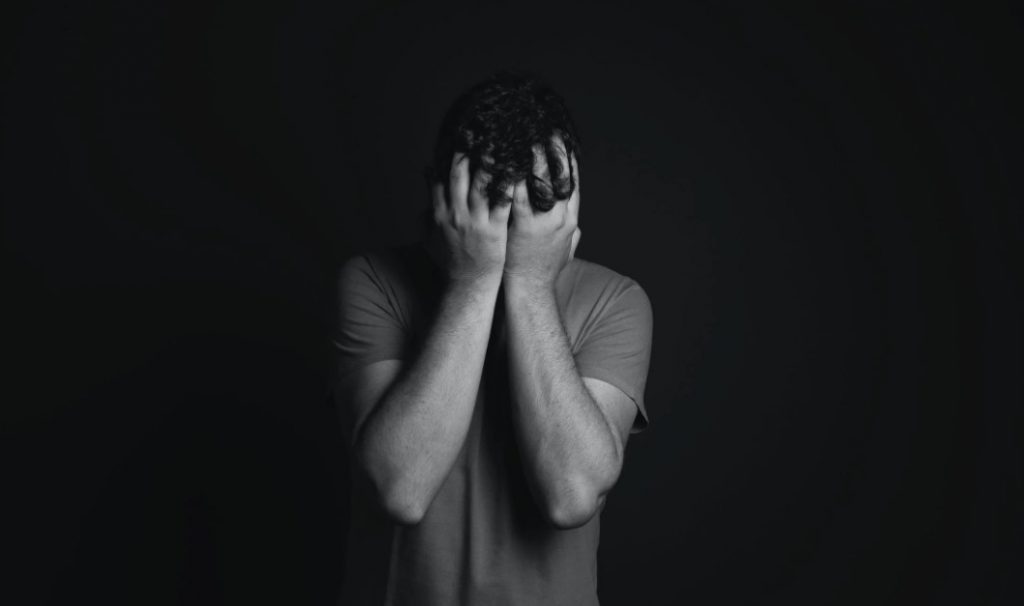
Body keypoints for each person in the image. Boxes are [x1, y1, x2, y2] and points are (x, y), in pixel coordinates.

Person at [329, 70, 654, 606]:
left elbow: (571, 495)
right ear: (442, 197)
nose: (508, 226)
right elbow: (400, 488)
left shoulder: (616, 299)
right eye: (492, 202)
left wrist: (530, 283)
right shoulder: (372, 282)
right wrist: (474, 280)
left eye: (533, 203)